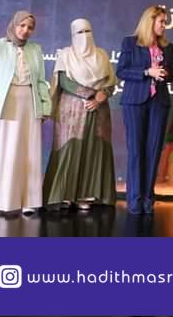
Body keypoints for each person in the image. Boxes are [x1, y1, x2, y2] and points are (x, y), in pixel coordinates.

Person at [0, 11, 51, 215]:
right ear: (14, 25)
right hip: (1, 106)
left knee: (26, 153)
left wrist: (45, 107)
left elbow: (41, 82)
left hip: (29, 106)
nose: (25, 30)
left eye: (30, 27)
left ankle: (27, 200)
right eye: (22, 25)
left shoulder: (35, 49)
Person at [43, 19, 118, 210]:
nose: (84, 36)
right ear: (72, 35)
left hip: (99, 110)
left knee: (94, 148)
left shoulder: (101, 55)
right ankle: (64, 194)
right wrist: (90, 94)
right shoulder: (66, 55)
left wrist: (101, 96)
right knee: (70, 148)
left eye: (87, 31)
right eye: (79, 32)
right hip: (72, 111)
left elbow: (110, 82)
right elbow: (64, 82)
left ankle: (87, 194)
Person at [116, 6, 173, 214]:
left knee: (153, 150)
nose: (164, 26)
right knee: (136, 150)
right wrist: (147, 72)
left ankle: (148, 198)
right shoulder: (130, 43)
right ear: (150, 21)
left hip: (159, 102)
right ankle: (134, 199)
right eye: (161, 22)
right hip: (134, 102)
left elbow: (172, 75)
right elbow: (121, 71)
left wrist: (164, 73)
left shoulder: (167, 47)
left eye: (165, 22)